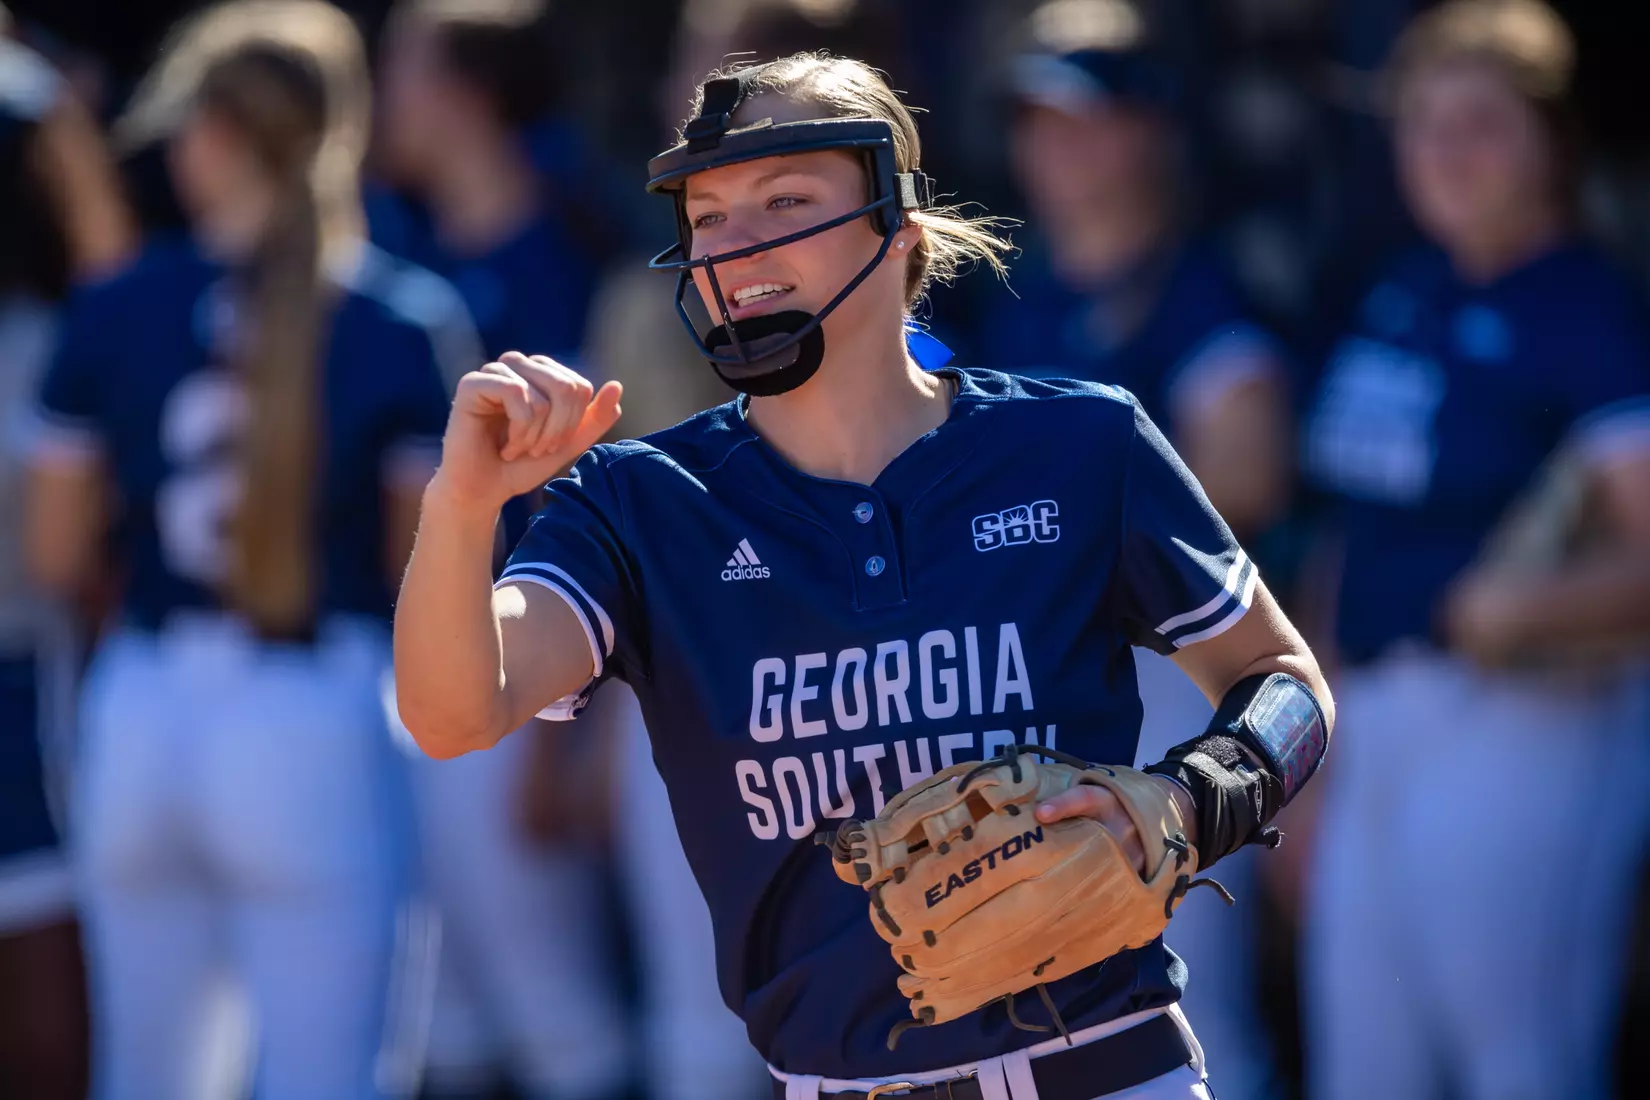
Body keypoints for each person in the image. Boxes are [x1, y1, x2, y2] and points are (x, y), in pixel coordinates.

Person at [396, 53, 1334, 1100]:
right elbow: (452, 712)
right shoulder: (640, 502)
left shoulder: (1080, 439)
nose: (735, 244)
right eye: (707, 215)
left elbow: (1290, 684)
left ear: (900, 233)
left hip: (1113, 1070)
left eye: (784, 200)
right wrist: (461, 506)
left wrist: (1190, 795)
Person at [21, 2, 476, 1096]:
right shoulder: (403, 317)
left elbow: (51, 551)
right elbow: (433, 574)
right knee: (329, 1076)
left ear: (217, 134)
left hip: (142, 708)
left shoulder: (114, 307)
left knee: (147, 1074)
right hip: (315, 707)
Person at [1298, 4, 1650, 1099]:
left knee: (1520, 1063)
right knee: (1366, 1065)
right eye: (1424, 123)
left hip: (1527, 716)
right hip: (1376, 726)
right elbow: (1351, 521)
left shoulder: (1585, 307)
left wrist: (1511, 608)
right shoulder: (1403, 290)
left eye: (1482, 124)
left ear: (1550, 140)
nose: (1447, 152)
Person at [986, 10, 1294, 1095]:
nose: (1055, 144)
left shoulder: (1199, 290)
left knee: (1192, 1008)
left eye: (1084, 119)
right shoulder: (1013, 301)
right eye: (1036, 120)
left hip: (1172, 675)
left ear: (1147, 132)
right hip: (1037, 690)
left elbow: (1247, 471)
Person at [375, 4, 635, 1097]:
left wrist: (561, 736)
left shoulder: (576, 257)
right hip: (416, 676)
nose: (388, 97)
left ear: (466, 91)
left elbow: (607, 509)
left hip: (543, 677)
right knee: (444, 1023)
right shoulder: (399, 258)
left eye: (404, 69)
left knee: (559, 1012)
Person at [0, 26, 134, 1099]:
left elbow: (115, 272)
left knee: (48, 1023)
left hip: (21, 678)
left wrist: (44, 105)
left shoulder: (58, 335)